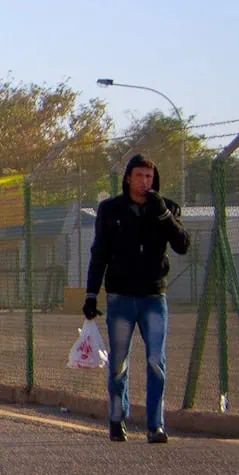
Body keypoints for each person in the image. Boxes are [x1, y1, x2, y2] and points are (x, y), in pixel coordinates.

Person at [85, 154, 191, 443]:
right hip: (120, 296)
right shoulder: (111, 210)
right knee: (119, 362)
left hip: (153, 296)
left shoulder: (165, 208)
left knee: (156, 360)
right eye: (139, 175)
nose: (145, 181)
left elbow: (182, 244)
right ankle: (117, 419)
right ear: (128, 178)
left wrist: (164, 216)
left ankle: (155, 425)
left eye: (149, 176)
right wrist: (91, 293)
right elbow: (100, 253)